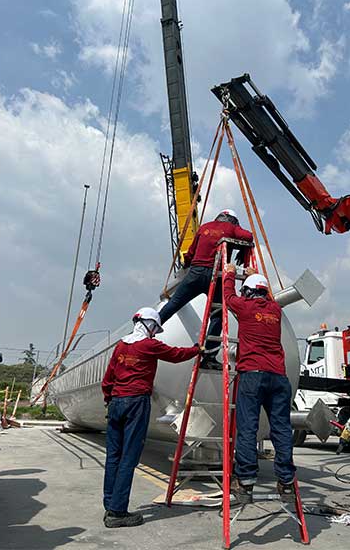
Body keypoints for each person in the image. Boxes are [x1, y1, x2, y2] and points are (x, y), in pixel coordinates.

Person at [100, 307, 200, 528]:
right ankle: (118, 512)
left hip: (116, 402)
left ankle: (110, 505)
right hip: (136, 403)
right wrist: (197, 349)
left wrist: (109, 399)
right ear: (149, 325)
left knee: (113, 456)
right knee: (129, 457)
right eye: (155, 328)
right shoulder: (149, 345)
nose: (155, 332)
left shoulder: (121, 346)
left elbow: (108, 378)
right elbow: (176, 355)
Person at [221, 263, 296, 503]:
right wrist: (256, 276)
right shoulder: (275, 310)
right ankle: (286, 482)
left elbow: (228, 297)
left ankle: (245, 482)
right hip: (279, 378)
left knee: (247, 429)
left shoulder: (244, 307)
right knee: (282, 430)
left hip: (253, 376)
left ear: (248, 292)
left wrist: (229, 273)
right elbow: (269, 297)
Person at [159, 209, 253, 370]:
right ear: (233, 220)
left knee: (174, 303)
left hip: (195, 273)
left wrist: (187, 264)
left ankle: (147, 330)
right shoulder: (231, 228)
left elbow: (190, 253)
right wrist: (240, 243)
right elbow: (248, 236)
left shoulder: (204, 227)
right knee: (217, 316)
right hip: (216, 276)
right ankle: (209, 356)